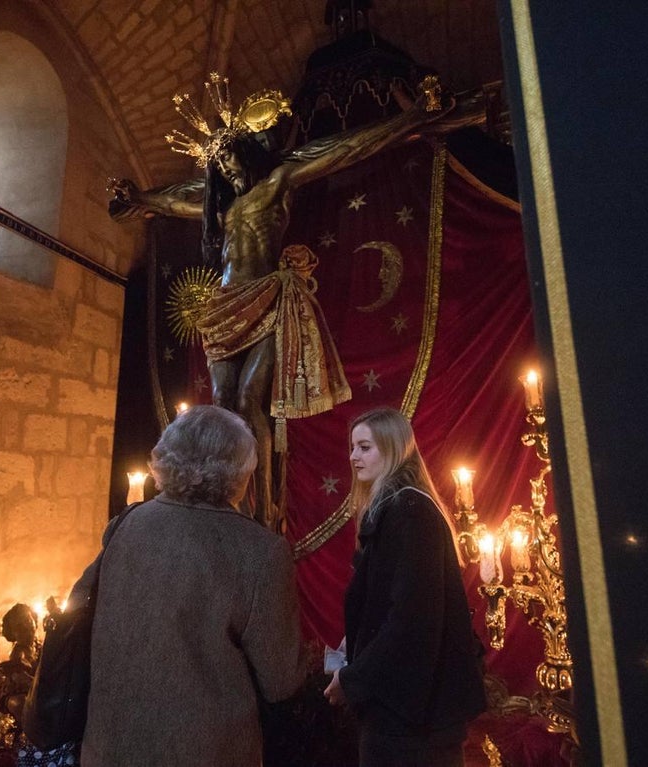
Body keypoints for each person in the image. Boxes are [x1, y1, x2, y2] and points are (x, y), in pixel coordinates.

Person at [108, 74, 466, 531]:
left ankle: (257, 509)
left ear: (251, 156)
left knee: (250, 399)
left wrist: (411, 117)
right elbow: (178, 199)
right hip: (225, 305)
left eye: (236, 163)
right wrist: (139, 198)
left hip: (267, 297)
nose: (232, 173)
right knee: (221, 399)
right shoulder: (221, 203)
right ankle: (227, 497)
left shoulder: (276, 181)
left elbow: (342, 149)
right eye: (224, 169)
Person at [78, 404, 305, 766]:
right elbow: (281, 681)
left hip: (109, 746)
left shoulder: (126, 524)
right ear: (241, 471)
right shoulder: (260, 552)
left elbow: (78, 609)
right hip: (207, 751)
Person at [323, 407, 486, 767]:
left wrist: (352, 680)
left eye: (364, 447)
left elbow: (413, 619)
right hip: (405, 710)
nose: (353, 457)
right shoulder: (396, 510)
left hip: (413, 716)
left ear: (394, 449)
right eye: (353, 447)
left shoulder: (409, 512)